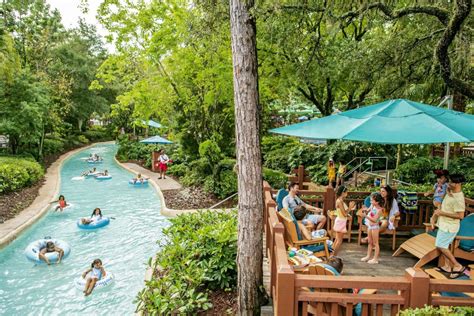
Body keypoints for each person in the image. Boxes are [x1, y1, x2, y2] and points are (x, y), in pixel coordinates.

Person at [432, 174, 466, 279]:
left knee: (440, 246)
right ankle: (447, 266)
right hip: (444, 224)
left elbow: (460, 216)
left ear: (458, 184)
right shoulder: (451, 192)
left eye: (451, 182)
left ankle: (457, 265)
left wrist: (442, 213)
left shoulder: (459, 198)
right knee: (443, 245)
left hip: (450, 227)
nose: (448, 184)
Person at [360, 192, 384, 264]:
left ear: (377, 202)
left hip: (375, 227)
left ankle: (375, 259)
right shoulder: (372, 206)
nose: (370, 201)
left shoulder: (380, 210)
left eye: (372, 200)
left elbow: (374, 220)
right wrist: (365, 209)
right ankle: (368, 256)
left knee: (375, 243)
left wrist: (366, 216)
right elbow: (368, 210)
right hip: (370, 226)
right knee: (370, 242)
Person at [332, 185, 356, 256]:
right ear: (343, 193)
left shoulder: (340, 200)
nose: (347, 194)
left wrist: (350, 209)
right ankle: (334, 256)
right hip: (341, 221)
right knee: (339, 241)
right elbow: (345, 214)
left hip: (340, 220)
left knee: (337, 239)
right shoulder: (340, 201)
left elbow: (343, 212)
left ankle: (331, 254)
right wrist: (350, 207)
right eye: (346, 192)